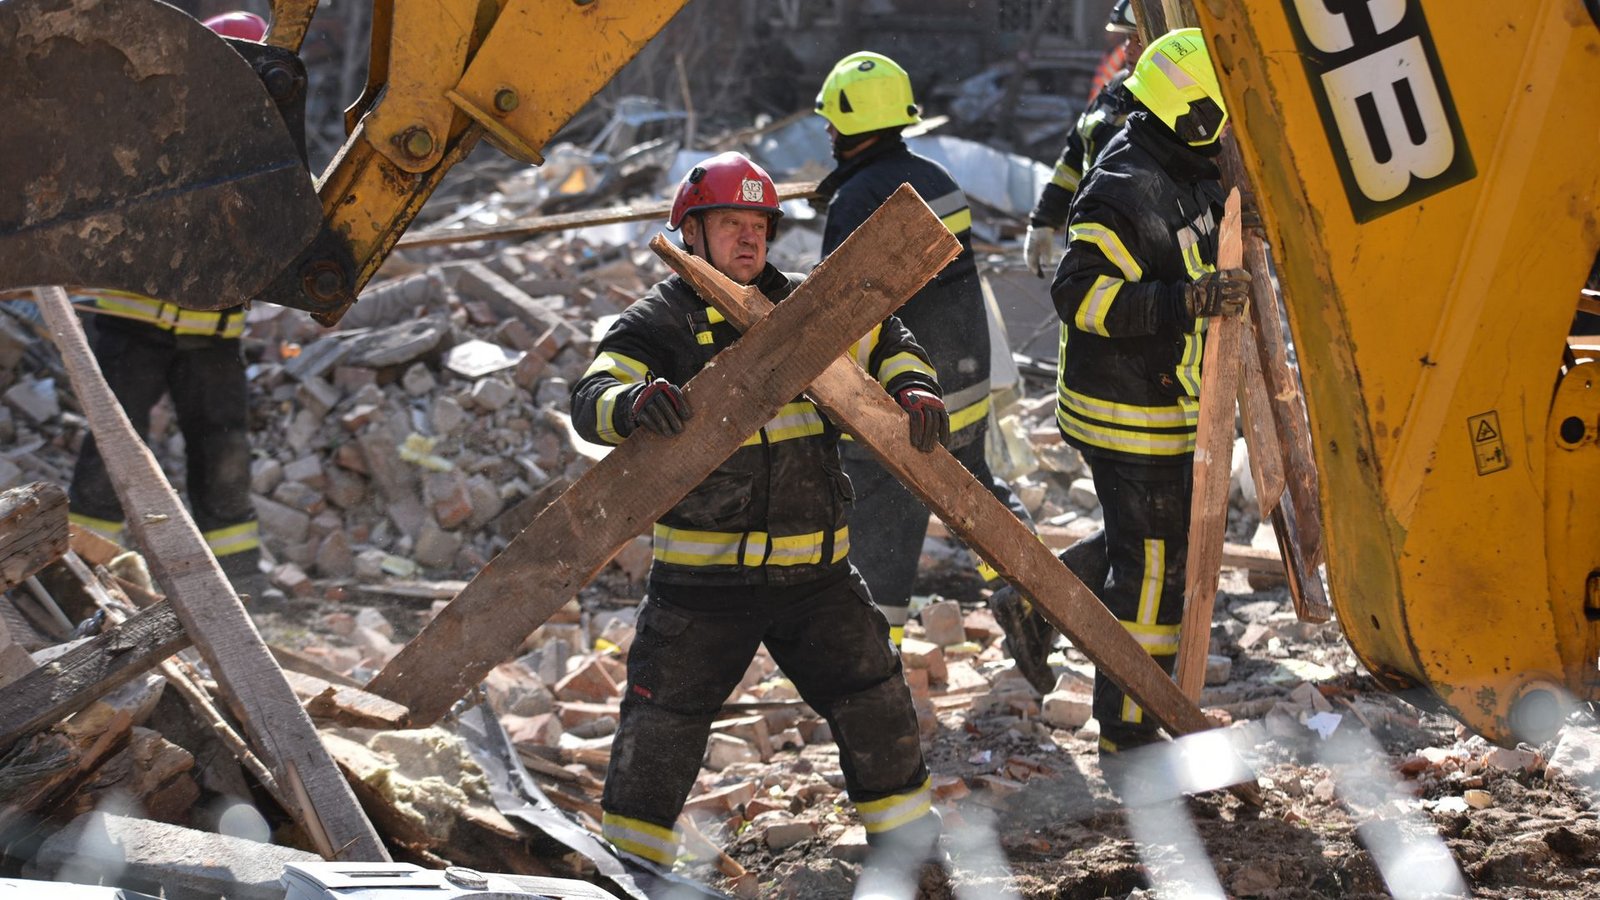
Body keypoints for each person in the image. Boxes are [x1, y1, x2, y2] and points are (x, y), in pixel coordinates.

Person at [571, 151, 947, 873]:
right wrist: (632, 404)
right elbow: (592, 398)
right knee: (661, 728)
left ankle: (913, 864)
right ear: (691, 232)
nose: (750, 238)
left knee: (875, 701)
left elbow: (890, 341)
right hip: (702, 585)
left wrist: (915, 388)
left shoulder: (808, 307)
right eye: (730, 224)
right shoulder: (659, 322)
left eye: (759, 225)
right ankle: (631, 877)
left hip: (817, 576)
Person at [1043, 28, 1251, 763]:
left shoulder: (1184, 162)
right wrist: (1183, 302)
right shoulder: (1125, 188)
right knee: (1155, 568)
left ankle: (1037, 605)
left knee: (1145, 545)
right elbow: (1078, 295)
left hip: (1164, 400)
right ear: (1189, 112)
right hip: (1129, 413)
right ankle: (1129, 729)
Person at [812, 50, 1048, 674]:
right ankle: (1029, 590)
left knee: (883, 520)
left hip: (904, 393)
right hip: (962, 378)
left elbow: (840, 310)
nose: (827, 131)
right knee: (975, 485)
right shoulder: (935, 178)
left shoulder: (856, 199)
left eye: (832, 120)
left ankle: (876, 657)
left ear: (851, 122)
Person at [67, 11, 270, 600]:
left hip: (212, 333)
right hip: (133, 324)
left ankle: (239, 584)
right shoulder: (152, 123)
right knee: (113, 450)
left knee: (224, 451)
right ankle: (84, 571)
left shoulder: (264, 142)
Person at [1023, 0, 1144, 278]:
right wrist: (1044, 219)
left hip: (1139, 253)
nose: (1128, 49)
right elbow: (1074, 158)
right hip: (1090, 243)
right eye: (1127, 39)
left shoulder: (1173, 101)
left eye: (1138, 40)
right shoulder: (1114, 90)